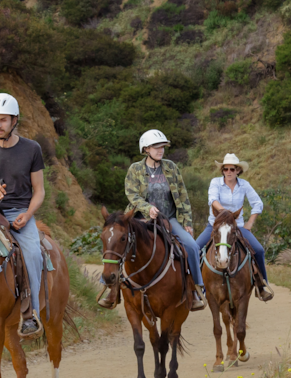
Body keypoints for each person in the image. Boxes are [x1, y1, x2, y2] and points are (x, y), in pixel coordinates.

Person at [99, 129, 205, 311]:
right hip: (140, 218)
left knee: (192, 247)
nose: (160, 150)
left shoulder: (171, 167)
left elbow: (183, 195)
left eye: (162, 147)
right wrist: (147, 208)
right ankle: (111, 288)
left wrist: (187, 223)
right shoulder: (135, 169)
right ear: (146, 149)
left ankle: (195, 289)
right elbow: (131, 194)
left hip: (169, 218)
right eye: (156, 147)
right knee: (116, 241)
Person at [0, 93, 46, 335]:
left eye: (3, 120)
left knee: (34, 254)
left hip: (19, 214)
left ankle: (30, 314)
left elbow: (39, 191)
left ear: (14, 120)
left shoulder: (32, 149)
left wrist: (28, 214)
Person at [196, 153, 273, 302]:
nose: (229, 172)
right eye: (226, 169)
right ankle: (195, 287)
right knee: (195, 248)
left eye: (232, 169)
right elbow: (212, 200)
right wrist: (225, 213)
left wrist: (250, 223)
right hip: (215, 225)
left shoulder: (244, 185)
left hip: (237, 227)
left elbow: (257, 203)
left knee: (258, 250)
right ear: (222, 171)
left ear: (238, 170)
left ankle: (261, 286)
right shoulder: (215, 182)